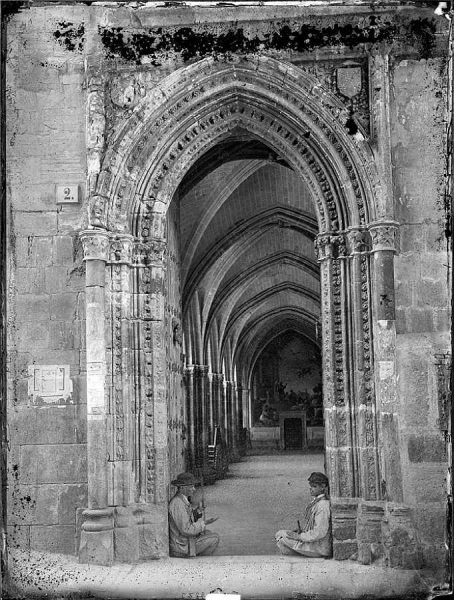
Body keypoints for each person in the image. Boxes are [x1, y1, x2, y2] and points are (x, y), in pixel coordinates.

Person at [275, 471, 332, 557]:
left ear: (323, 487)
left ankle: (299, 555)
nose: (311, 489)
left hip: (319, 547)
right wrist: (301, 531)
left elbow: (319, 533)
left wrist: (298, 536)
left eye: (314, 486)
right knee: (281, 534)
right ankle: (298, 554)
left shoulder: (322, 506)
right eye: (311, 486)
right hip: (315, 542)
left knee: (281, 537)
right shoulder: (318, 502)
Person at [168, 472, 220, 557]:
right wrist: (204, 523)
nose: (194, 489)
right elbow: (187, 529)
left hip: (184, 541)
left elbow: (187, 519)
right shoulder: (177, 503)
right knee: (215, 538)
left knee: (208, 532)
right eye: (191, 486)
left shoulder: (181, 500)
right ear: (182, 488)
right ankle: (198, 562)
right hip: (182, 546)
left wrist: (198, 511)